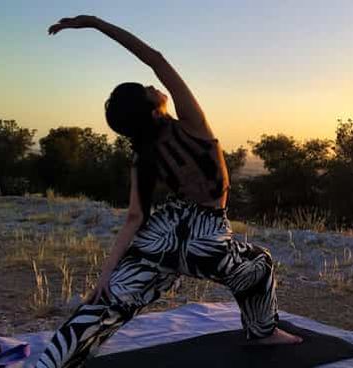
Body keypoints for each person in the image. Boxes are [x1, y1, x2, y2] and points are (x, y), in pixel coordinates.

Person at [36, 15, 302, 368]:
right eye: (148, 89)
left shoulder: (143, 155)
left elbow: (135, 218)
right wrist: (94, 23)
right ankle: (263, 332)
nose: (154, 86)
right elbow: (155, 58)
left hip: (162, 235)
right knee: (260, 264)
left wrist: (106, 277)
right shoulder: (192, 124)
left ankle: (53, 362)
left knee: (109, 305)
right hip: (206, 235)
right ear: (152, 106)